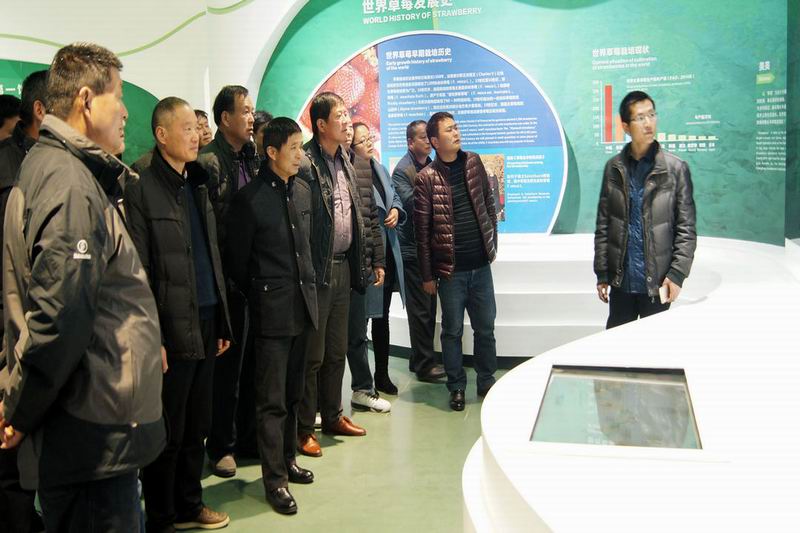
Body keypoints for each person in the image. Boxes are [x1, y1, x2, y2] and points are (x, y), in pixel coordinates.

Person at [0, 42, 166, 531]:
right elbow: (59, 315)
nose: (126, 113)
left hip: (93, 422)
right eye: (119, 97)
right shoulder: (68, 181)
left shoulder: (60, 170)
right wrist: (21, 410)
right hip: (91, 431)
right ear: (87, 101)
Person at [125, 97, 233, 531]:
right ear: (161, 134)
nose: (196, 135)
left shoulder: (198, 179)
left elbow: (211, 255)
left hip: (205, 317)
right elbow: (139, 269)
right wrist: (154, 337)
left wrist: (221, 319)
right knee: (167, 427)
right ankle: (162, 516)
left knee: (197, 424)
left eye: (196, 127)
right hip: (169, 326)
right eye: (186, 128)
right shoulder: (140, 184)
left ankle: (190, 504)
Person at [226, 117, 317, 515]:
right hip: (271, 313)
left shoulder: (302, 190)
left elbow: (307, 247)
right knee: (272, 401)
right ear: (272, 152)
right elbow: (237, 263)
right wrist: (265, 293)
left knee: (294, 394)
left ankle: (289, 460)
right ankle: (274, 479)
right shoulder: (249, 200)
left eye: (300, 147)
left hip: (303, 307)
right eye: (293, 148)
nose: (299, 155)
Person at [296, 92, 384, 457]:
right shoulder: (305, 162)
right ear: (320, 125)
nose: (347, 121)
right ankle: (305, 428)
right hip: (317, 272)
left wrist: (371, 258)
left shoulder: (346, 159)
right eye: (340, 115)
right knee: (312, 356)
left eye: (347, 114)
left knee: (337, 350)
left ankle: (333, 415)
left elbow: (361, 213)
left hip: (345, 267)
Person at [414, 112, 498, 412]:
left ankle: (486, 381)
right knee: (452, 332)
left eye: (456, 127)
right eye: (449, 130)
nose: (456, 133)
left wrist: (492, 243)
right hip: (451, 272)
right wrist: (427, 275)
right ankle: (457, 386)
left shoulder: (473, 161)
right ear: (435, 141)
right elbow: (422, 232)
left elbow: (488, 203)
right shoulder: (426, 178)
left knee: (485, 328)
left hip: (481, 266)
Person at [594, 91, 697, 328]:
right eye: (640, 118)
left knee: (654, 346)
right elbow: (604, 226)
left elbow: (686, 229)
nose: (648, 123)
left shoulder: (675, 169)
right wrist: (602, 272)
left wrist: (677, 274)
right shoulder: (614, 168)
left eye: (651, 114)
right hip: (621, 283)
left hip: (657, 283)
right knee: (617, 344)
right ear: (626, 126)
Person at [198, 84, 259, 478]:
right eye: (245, 111)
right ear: (225, 118)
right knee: (226, 373)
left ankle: (248, 439)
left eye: (252, 111)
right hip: (225, 283)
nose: (251, 117)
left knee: (252, 366)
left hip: (252, 280)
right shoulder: (209, 162)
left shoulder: (250, 157)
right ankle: (221, 446)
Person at [0, 69, 47, 533]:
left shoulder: (60, 169)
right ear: (40, 110)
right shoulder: (8, 167)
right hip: (10, 323)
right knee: (11, 448)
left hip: (40, 322)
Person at [346, 122, 406, 413]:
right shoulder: (351, 173)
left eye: (370, 138)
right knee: (362, 323)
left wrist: (395, 210)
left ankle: (381, 374)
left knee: (382, 318)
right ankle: (364, 383)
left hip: (387, 253)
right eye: (362, 141)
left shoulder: (379, 168)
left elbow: (395, 196)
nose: (369, 143)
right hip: (367, 255)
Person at [391, 120, 446, 383]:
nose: (428, 141)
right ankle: (425, 365)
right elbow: (413, 204)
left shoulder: (433, 165)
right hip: (412, 250)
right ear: (410, 142)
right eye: (423, 137)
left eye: (429, 136)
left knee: (429, 308)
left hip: (429, 248)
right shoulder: (403, 170)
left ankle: (418, 359)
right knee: (421, 310)